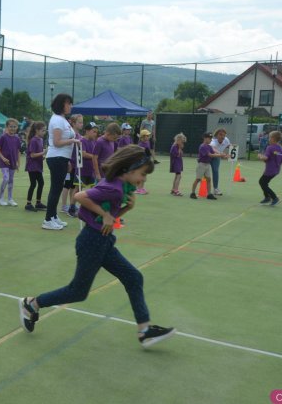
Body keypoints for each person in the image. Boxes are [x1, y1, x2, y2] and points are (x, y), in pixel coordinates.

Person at [19, 145, 176, 348]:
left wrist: (125, 208)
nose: (144, 179)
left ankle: (144, 331)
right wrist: (106, 215)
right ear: (128, 169)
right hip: (92, 242)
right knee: (77, 291)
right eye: (143, 174)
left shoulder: (119, 187)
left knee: (133, 277)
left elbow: (108, 220)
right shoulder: (113, 187)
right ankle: (31, 304)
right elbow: (80, 197)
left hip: (103, 241)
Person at [42, 93, 79, 231]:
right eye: (68, 103)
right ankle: (47, 219)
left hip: (62, 158)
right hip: (56, 157)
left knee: (57, 189)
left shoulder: (62, 119)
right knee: (55, 189)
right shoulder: (57, 120)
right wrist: (73, 141)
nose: (70, 106)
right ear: (61, 104)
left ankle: (53, 216)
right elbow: (57, 142)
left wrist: (68, 160)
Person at [190, 132, 224, 200]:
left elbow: (214, 152)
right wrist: (220, 155)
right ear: (205, 138)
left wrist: (223, 155)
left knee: (209, 179)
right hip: (201, 165)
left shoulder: (209, 146)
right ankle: (192, 193)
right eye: (209, 138)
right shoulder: (203, 146)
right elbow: (210, 155)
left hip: (207, 165)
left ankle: (209, 194)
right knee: (198, 179)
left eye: (211, 138)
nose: (211, 140)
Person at [61, 114, 83, 217]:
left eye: (82, 122)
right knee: (67, 185)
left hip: (76, 164)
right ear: (73, 123)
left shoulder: (79, 136)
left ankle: (71, 205)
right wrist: (68, 161)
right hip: (69, 164)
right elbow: (66, 148)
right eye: (79, 122)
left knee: (73, 185)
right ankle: (63, 206)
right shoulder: (71, 135)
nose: (81, 124)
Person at [0, 118, 22, 207]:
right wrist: (3, 158)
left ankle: (10, 199)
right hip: (4, 163)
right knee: (6, 178)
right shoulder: (3, 137)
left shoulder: (17, 138)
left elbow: (18, 151)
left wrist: (18, 163)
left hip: (12, 162)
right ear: (7, 127)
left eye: (15, 126)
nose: (13, 128)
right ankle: (1, 198)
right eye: (11, 126)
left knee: (11, 180)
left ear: (17, 127)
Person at [257, 131, 282, 206]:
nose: (268, 139)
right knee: (264, 182)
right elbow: (281, 158)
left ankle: (274, 198)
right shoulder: (281, 149)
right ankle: (267, 197)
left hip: (270, 170)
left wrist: (260, 156)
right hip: (276, 170)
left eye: (269, 137)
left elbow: (266, 158)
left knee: (262, 182)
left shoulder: (270, 148)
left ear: (273, 138)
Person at [24, 121, 47, 212]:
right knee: (33, 184)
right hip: (32, 166)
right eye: (42, 130)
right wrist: (43, 153)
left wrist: (42, 156)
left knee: (41, 183)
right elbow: (32, 155)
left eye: (45, 130)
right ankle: (28, 204)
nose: (44, 132)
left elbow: (37, 155)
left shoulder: (40, 140)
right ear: (37, 130)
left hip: (38, 166)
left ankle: (38, 203)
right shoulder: (33, 140)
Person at [209, 128, 231, 195]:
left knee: (215, 171)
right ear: (216, 135)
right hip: (208, 156)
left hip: (217, 157)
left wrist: (231, 153)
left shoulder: (226, 140)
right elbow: (213, 149)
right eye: (220, 135)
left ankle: (215, 189)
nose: (222, 137)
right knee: (204, 172)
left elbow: (229, 146)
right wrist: (221, 154)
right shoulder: (213, 141)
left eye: (224, 135)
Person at [80, 122, 99, 189]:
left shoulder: (94, 141)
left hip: (92, 170)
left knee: (94, 188)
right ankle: (72, 200)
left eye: (96, 132)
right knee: (78, 189)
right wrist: (95, 157)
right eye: (94, 131)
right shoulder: (82, 140)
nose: (95, 134)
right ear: (87, 131)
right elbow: (83, 154)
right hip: (83, 171)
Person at [135, 129, 152, 194]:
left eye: (148, 136)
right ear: (142, 137)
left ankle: (141, 188)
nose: (148, 137)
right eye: (147, 136)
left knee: (144, 175)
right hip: (142, 162)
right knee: (141, 175)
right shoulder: (140, 145)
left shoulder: (148, 142)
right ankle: (138, 189)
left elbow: (148, 152)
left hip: (147, 161)